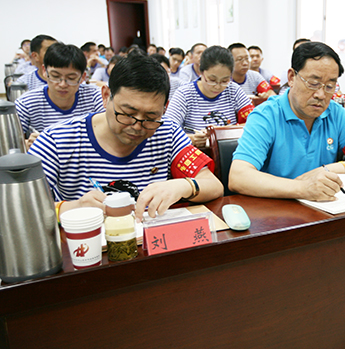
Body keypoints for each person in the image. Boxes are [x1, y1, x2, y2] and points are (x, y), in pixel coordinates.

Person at [28, 53, 223, 220]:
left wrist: (183, 186)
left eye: (150, 117)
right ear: (106, 96)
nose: (137, 126)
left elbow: (214, 186)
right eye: (127, 113)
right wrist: (72, 207)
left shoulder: (167, 131)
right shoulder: (57, 140)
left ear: (165, 108)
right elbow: (23, 209)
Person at [229, 42, 345, 200]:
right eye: (313, 83)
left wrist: (327, 170)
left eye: (330, 86)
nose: (321, 95)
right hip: (277, 206)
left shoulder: (334, 112)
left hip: (323, 207)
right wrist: (303, 188)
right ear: (291, 77)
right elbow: (238, 176)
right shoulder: (266, 115)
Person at [15, 43, 104, 149]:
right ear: (44, 72)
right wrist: (25, 144)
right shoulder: (27, 102)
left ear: (83, 77)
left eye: (71, 78)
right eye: (55, 76)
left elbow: (110, 131)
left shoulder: (95, 96)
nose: (62, 84)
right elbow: (11, 144)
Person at [164, 46, 255, 148]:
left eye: (224, 81)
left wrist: (220, 132)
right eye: (212, 80)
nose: (217, 86)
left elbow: (254, 122)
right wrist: (190, 138)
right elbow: (166, 131)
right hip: (196, 152)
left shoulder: (233, 90)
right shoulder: (184, 94)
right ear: (201, 72)